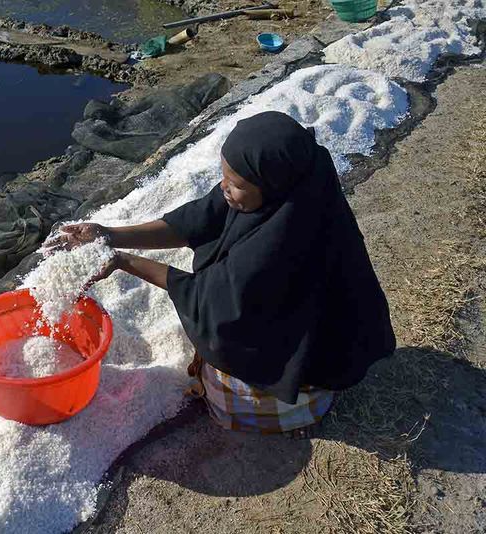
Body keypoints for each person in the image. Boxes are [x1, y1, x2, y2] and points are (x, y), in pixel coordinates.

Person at [50, 111, 395, 438]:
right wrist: (108, 234)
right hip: (280, 313)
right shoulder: (281, 187)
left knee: (229, 383)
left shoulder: (283, 239)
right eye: (224, 177)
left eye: (236, 184)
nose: (224, 188)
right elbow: (193, 221)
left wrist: (124, 261)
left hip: (310, 351)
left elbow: (213, 304)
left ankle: (301, 407)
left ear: (271, 184)